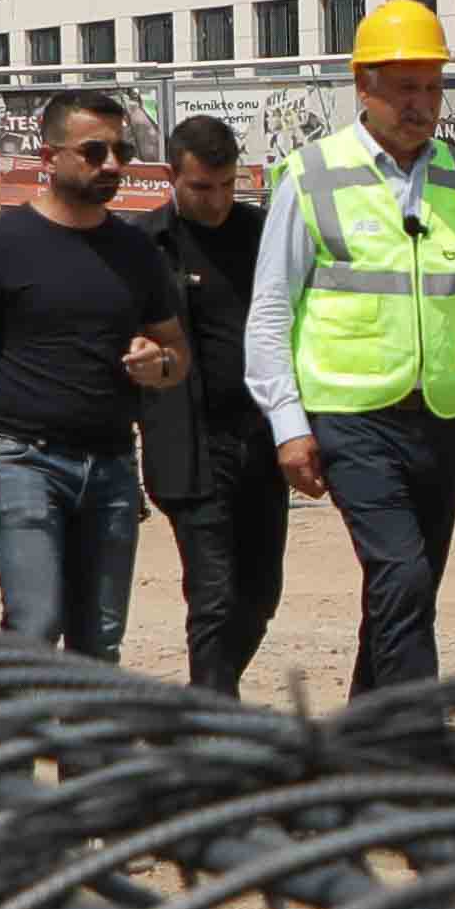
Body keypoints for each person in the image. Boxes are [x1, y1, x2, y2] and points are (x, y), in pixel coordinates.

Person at [242, 0, 455, 707]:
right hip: (350, 415)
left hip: (440, 417)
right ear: (365, 86)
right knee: (402, 578)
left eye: (433, 87)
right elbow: (270, 310)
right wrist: (288, 425)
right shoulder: (312, 175)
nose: (422, 104)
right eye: (406, 87)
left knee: (406, 592)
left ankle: (361, 740)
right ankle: (417, 747)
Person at [0, 87, 185, 663]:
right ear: (50, 158)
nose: (112, 165)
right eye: (94, 152)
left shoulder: (136, 251)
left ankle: (82, 729)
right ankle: (17, 724)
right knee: (35, 624)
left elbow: (176, 352)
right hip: (25, 460)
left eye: (121, 152)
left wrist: (161, 364)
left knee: (99, 642)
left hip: (112, 464)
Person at [138, 113, 286, 693]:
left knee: (260, 595)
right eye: (202, 187)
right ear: (170, 177)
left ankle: (203, 704)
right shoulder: (146, 245)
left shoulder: (262, 236)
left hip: (262, 441)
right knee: (213, 595)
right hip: (189, 443)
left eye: (228, 186)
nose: (218, 200)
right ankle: (213, 724)